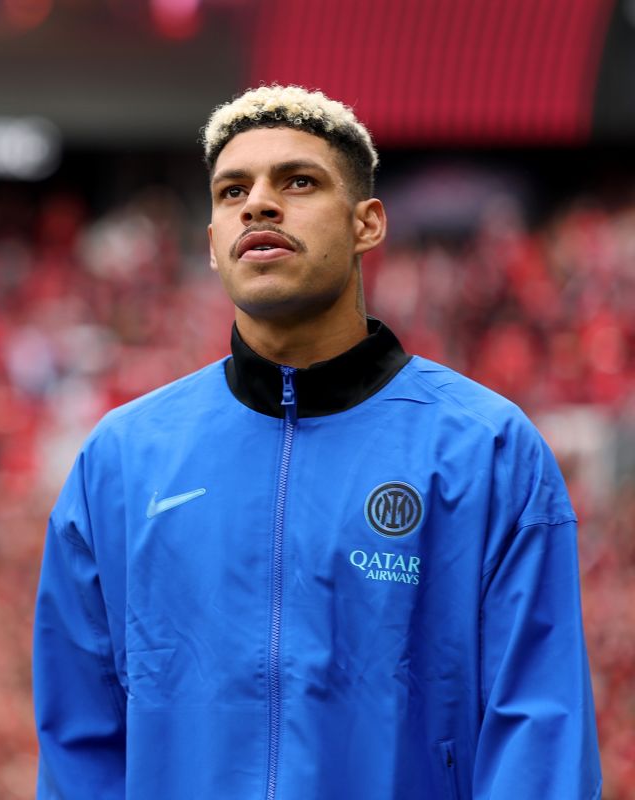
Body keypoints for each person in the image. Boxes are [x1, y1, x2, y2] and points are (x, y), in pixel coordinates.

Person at [32, 85, 602, 799]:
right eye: (232, 189)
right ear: (211, 243)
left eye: (298, 182)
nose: (259, 204)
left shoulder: (487, 450)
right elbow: (79, 747)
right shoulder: (119, 462)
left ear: (368, 224)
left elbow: (538, 740)